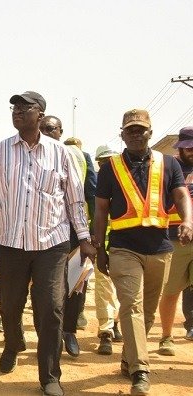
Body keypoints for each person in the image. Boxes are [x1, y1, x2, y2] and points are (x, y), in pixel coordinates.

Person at [0, 91, 96, 396]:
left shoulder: (61, 154)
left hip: (51, 245)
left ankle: (50, 376)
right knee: (10, 304)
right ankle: (13, 342)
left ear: (39, 116)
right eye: (14, 107)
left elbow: (74, 200)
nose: (17, 111)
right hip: (9, 243)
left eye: (24, 107)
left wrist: (84, 238)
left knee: (51, 308)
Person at [94, 109, 193, 396]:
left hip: (160, 248)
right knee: (132, 307)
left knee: (147, 312)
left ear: (150, 132)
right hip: (124, 249)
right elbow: (101, 209)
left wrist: (187, 220)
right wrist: (99, 247)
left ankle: (129, 357)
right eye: (131, 130)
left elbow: (181, 195)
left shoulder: (170, 163)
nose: (136, 135)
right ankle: (140, 370)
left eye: (141, 130)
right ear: (122, 133)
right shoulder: (110, 167)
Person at [39, 115, 97, 357]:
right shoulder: (30, 157)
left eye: (51, 129)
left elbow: (92, 195)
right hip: (44, 232)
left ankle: (69, 331)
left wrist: (92, 235)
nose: (46, 132)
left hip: (74, 232)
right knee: (45, 287)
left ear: (60, 132)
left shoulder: (79, 156)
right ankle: (47, 336)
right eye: (42, 129)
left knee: (76, 283)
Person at [158, 126, 193, 356]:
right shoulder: (169, 167)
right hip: (175, 238)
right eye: (188, 147)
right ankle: (166, 337)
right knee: (170, 292)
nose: (191, 151)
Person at [92, 145, 123, 355]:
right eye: (103, 162)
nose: (107, 165)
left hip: (125, 243)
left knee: (124, 289)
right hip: (101, 244)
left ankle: (116, 323)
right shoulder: (93, 184)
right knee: (104, 286)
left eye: (110, 160)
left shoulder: (127, 184)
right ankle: (105, 332)